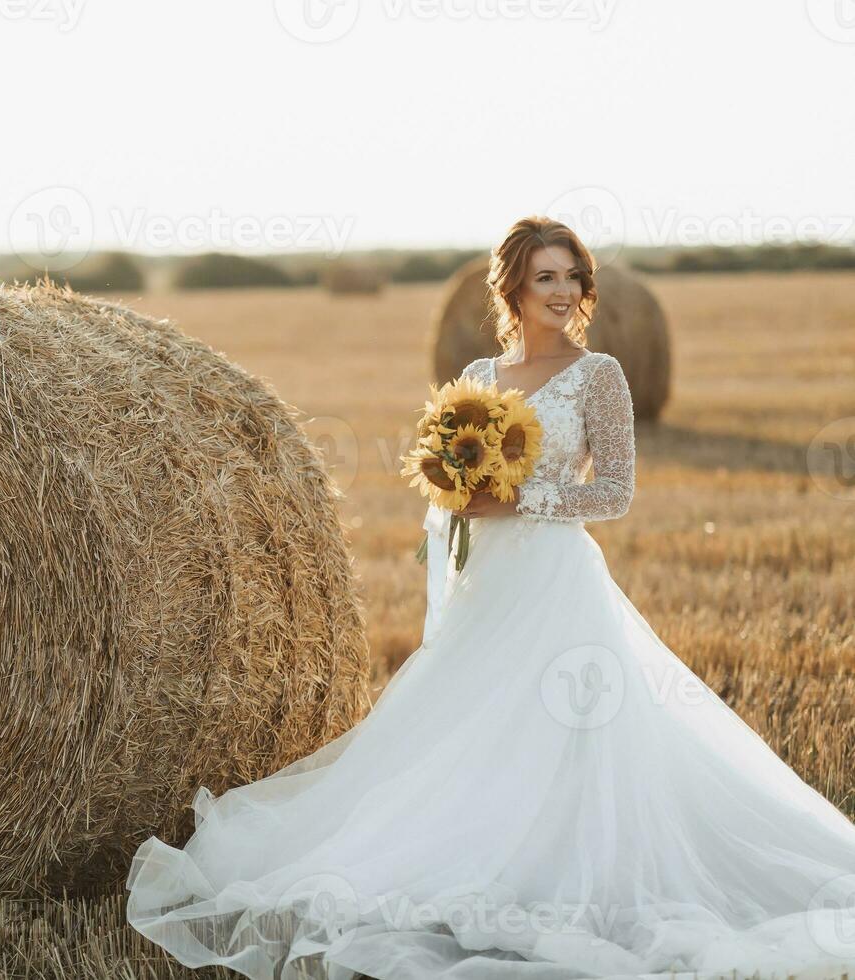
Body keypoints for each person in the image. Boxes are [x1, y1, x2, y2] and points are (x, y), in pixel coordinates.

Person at [124, 216, 855, 979]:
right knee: (464, 730)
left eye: (573, 276)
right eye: (547, 277)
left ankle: (553, 873)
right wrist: (455, 501)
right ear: (511, 287)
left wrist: (516, 503)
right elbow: (447, 484)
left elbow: (615, 492)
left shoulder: (601, 374)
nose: (564, 291)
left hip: (553, 579)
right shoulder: (477, 374)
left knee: (560, 730)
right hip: (486, 585)